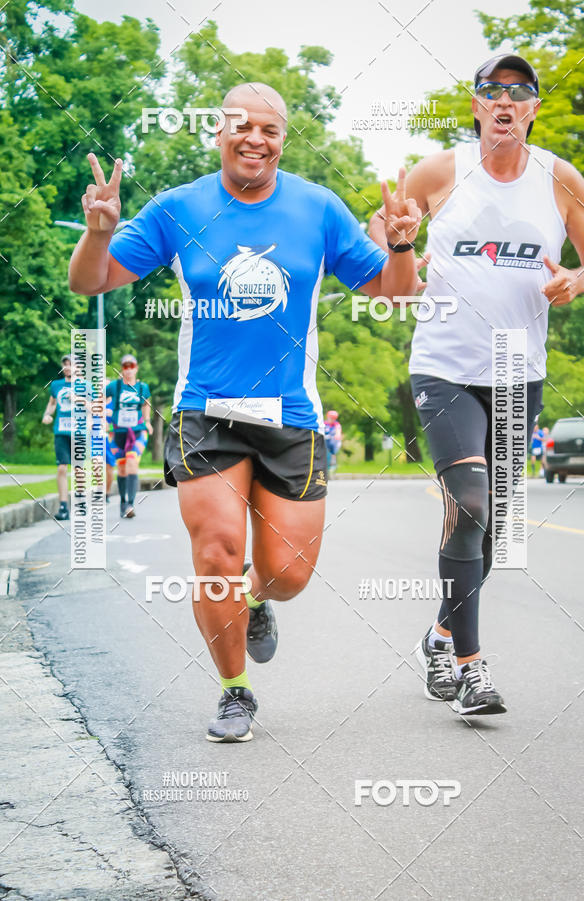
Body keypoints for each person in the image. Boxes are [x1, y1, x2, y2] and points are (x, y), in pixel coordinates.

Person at [68, 81, 420, 742]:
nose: (255, 138)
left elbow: (394, 294)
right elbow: (89, 280)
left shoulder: (318, 209)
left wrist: (400, 247)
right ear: (219, 130)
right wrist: (97, 233)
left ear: (283, 139)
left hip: (291, 413)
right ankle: (235, 691)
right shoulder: (179, 209)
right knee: (217, 552)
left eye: (270, 129)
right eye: (242, 125)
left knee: (288, 574)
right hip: (206, 409)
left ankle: (257, 601)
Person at [370, 53, 584, 716]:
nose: (505, 101)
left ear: (532, 108)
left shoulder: (560, 179)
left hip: (516, 372)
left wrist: (577, 281)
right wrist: (401, 242)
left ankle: (440, 635)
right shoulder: (441, 171)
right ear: (475, 106)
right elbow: (393, 281)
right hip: (444, 365)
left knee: (492, 523)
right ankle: (471, 671)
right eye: (492, 91)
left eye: (519, 92)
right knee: (469, 501)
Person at [105, 356, 152, 518]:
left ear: (136, 368)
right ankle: (123, 502)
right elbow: (99, 401)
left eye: (131, 366)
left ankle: (130, 504)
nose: (128, 369)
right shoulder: (114, 386)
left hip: (137, 432)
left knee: (132, 463)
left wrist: (147, 421)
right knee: (122, 468)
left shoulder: (142, 387)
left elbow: (146, 404)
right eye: (125, 366)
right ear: (122, 369)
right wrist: (103, 418)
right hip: (117, 433)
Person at [42, 354, 74, 521]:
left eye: (71, 364)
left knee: (79, 470)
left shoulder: (85, 386)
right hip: (61, 432)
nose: (68, 367)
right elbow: (52, 403)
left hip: (80, 433)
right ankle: (63, 506)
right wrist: (47, 414)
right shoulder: (56, 385)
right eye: (65, 364)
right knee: (62, 468)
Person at [324, 410, 343, 475]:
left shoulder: (336, 425)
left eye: (333, 418)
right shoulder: (325, 424)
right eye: (330, 417)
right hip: (325, 441)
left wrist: (337, 435)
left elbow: (338, 431)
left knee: (332, 448)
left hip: (334, 442)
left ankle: (333, 464)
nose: (331, 419)